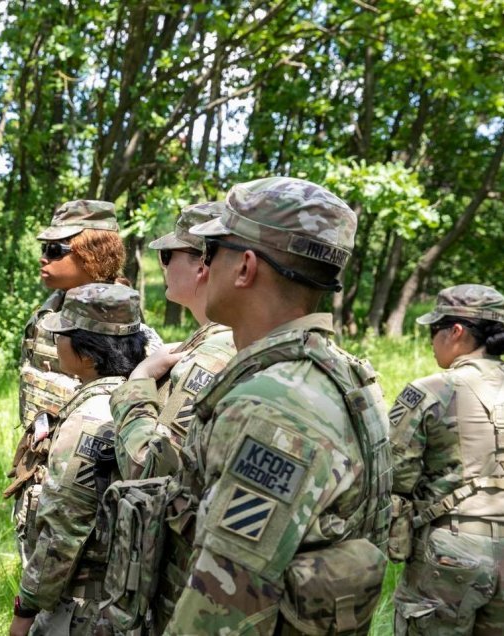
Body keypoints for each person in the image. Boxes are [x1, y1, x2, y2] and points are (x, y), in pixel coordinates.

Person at [161, 177, 392, 634]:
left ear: (244, 267)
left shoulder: (274, 407)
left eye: (210, 252)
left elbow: (223, 605)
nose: (203, 268)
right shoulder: (342, 375)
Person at [6, 200, 162, 567]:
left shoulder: (123, 324)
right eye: (43, 248)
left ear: (93, 253)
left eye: (54, 250)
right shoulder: (47, 313)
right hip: (43, 471)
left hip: (90, 486)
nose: (43, 258)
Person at [10, 283, 148, 636]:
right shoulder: (138, 399)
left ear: (87, 354)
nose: (55, 343)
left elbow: (63, 532)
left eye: (62, 335)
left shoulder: (89, 419)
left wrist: (25, 609)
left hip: (83, 606)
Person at [390, 284, 504, 635]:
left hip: (451, 554)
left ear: (455, 331)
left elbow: (392, 474)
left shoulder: (433, 390)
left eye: (432, 330)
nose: (429, 340)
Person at [111, 202, 236, 482]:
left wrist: (139, 379)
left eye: (167, 256)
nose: (163, 266)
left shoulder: (213, 355)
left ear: (203, 264)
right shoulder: (227, 339)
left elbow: (148, 469)